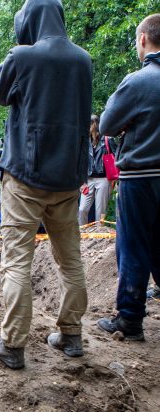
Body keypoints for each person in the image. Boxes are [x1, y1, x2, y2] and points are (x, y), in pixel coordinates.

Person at [0, 0, 92, 369]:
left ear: (28, 21)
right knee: (70, 260)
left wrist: (19, 47)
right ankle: (71, 335)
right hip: (67, 180)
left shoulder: (23, 56)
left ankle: (13, 346)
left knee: (17, 263)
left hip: (25, 181)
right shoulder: (83, 60)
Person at [97, 13, 160, 341]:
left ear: (143, 40)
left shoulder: (138, 81)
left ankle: (130, 320)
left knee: (133, 247)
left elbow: (106, 125)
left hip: (141, 176)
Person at [78, 115, 116, 225]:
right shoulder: (84, 141)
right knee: (82, 209)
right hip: (88, 180)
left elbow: (117, 157)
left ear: (94, 124)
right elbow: (80, 162)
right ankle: (83, 234)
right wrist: (82, 182)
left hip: (104, 179)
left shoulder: (107, 140)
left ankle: (99, 235)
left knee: (100, 213)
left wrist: (114, 180)